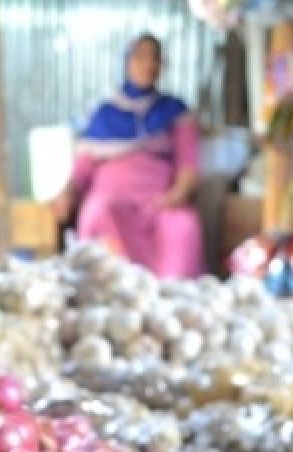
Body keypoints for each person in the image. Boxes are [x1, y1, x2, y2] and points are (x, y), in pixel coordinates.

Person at [52, 34, 203, 279]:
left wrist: (176, 195)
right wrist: (67, 193)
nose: (148, 64)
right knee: (97, 213)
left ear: (162, 66)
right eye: (141, 56)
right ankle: (105, 297)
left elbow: (189, 165)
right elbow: (82, 170)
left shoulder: (175, 112)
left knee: (182, 225)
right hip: (111, 199)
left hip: (159, 200)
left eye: (155, 58)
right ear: (126, 62)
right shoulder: (103, 114)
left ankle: (173, 302)